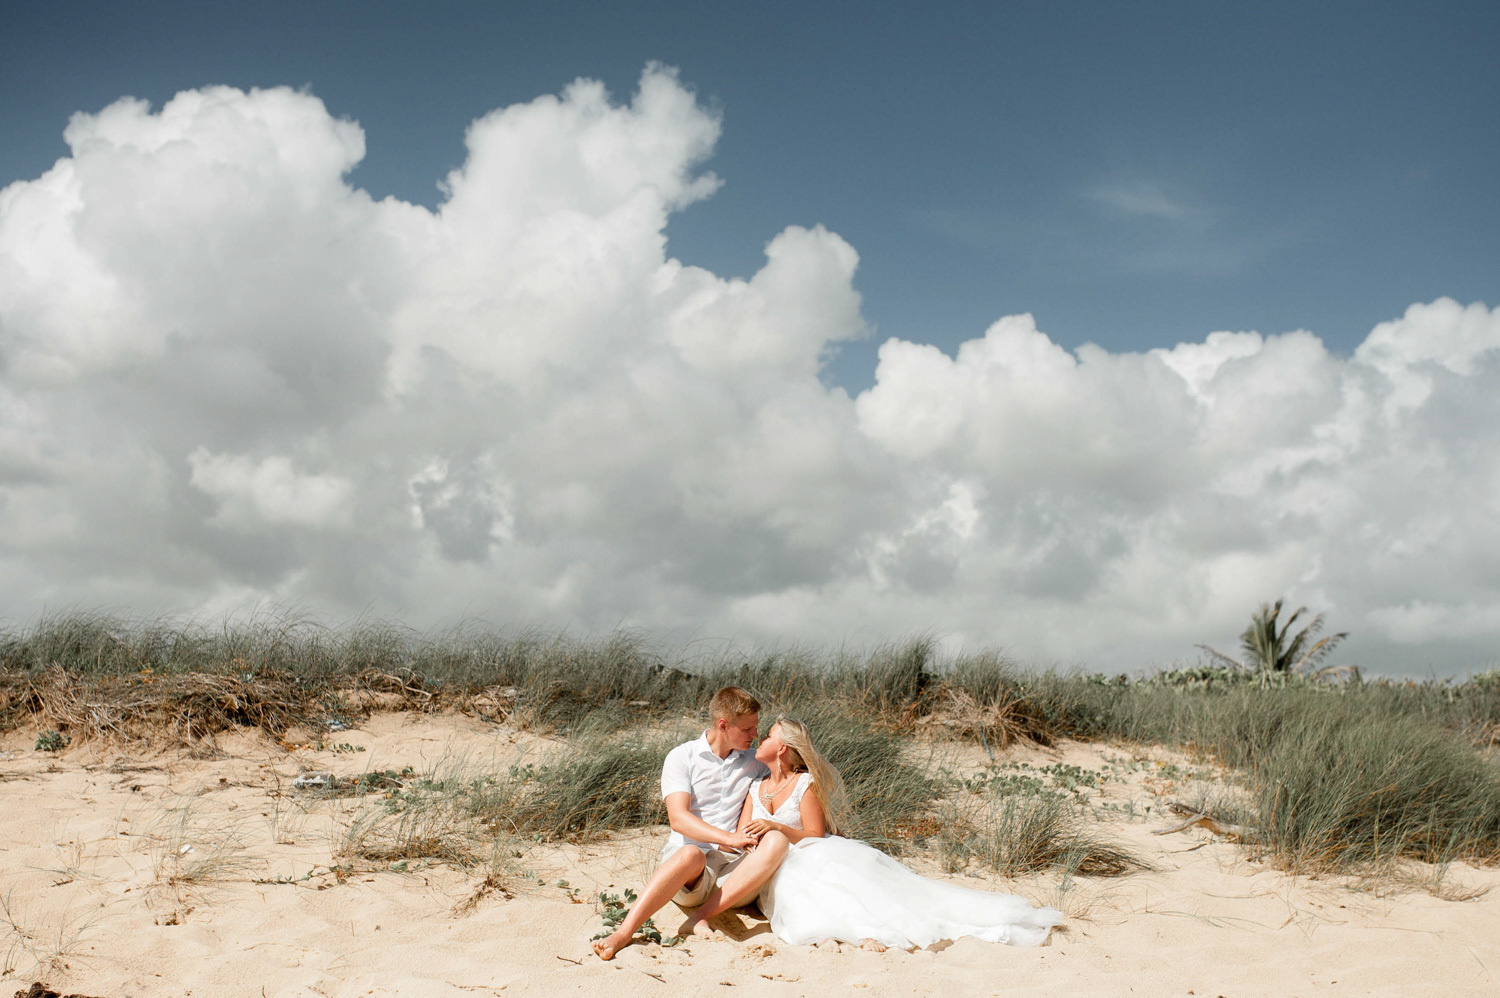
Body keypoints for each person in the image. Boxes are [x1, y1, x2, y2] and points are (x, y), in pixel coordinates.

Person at [682, 717, 1065, 950]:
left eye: (766, 737)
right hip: (766, 859)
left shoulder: (804, 783)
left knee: (837, 890)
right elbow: (738, 832)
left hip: (804, 852)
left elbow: (814, 832)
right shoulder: (755, 786)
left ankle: (865, 932)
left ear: (781, 749)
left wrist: (776, 827)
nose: (760, 742)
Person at [591, 686, 769, 960]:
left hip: (734, 876)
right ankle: (624, 932)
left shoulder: (755, 762)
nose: (755, 735)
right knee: (690, 853)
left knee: (775, 845)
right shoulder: (682, 757)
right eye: (748, 729)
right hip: (691, 876)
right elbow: (678, 819)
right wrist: (729, 837)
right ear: (723, 725)